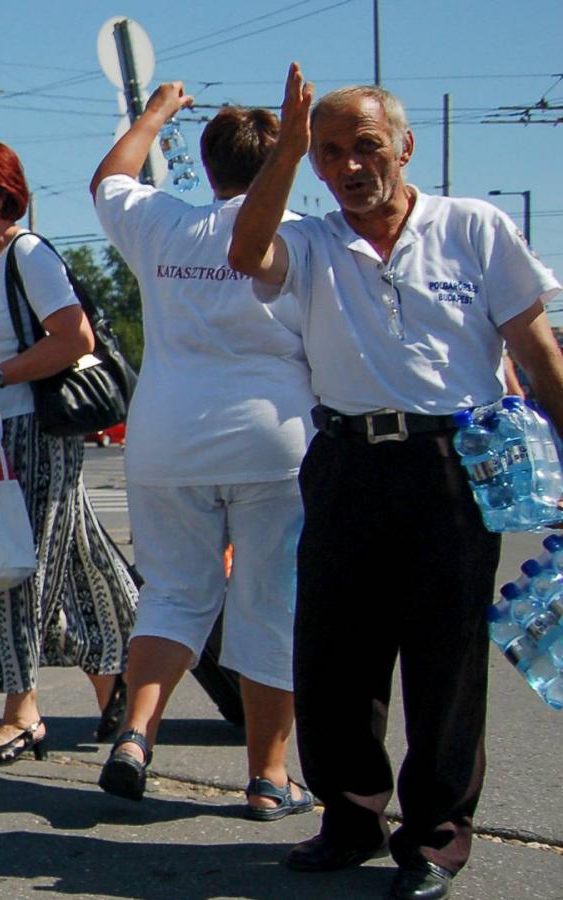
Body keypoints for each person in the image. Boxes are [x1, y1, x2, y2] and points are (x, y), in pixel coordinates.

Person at [227, 65, 563, 900]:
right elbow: (246, 252)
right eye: (330, 152)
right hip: (346, 461)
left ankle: (436, 836)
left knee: (446, 661)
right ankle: (349, 818)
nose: (348, 166)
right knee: (336, 653)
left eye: (366, 147)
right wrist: (286, 151)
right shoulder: (308, 240)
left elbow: (534, 348)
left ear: (404, 148)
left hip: (453, 464)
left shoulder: (473, 228)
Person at [89, 83, 316, 820]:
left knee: (174, 594)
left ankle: (134, 736)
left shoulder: (163, 225)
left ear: (209, 167)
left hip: (167, 437)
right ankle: (268, 775)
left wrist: (154, 115)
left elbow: (108, 182)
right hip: (271, 439)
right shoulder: (306, 235)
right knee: (267, 605)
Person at [0, 140, 138, 766]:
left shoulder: (27, 253)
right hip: (8, 433)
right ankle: (120, 697)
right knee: (80, 567)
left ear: (1, 195)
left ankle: (21, 713)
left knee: (13, 569)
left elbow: (74, 337)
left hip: (32, 432)